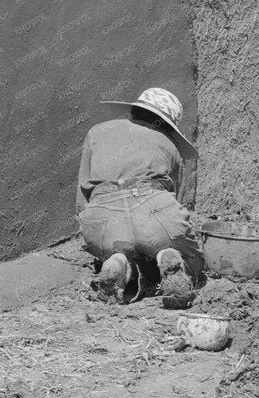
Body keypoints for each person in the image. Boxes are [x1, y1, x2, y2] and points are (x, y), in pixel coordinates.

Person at [76, 87, 203, 305]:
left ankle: (119, 262)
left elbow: (81, 197)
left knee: (116, 249)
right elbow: (180, 204)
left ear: (135, 109)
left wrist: (89, 234)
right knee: (193, 259)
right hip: (156, 213)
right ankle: (167, 257)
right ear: (167, 124)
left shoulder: (95, 132)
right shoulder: (171, 146)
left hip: (103, 220)